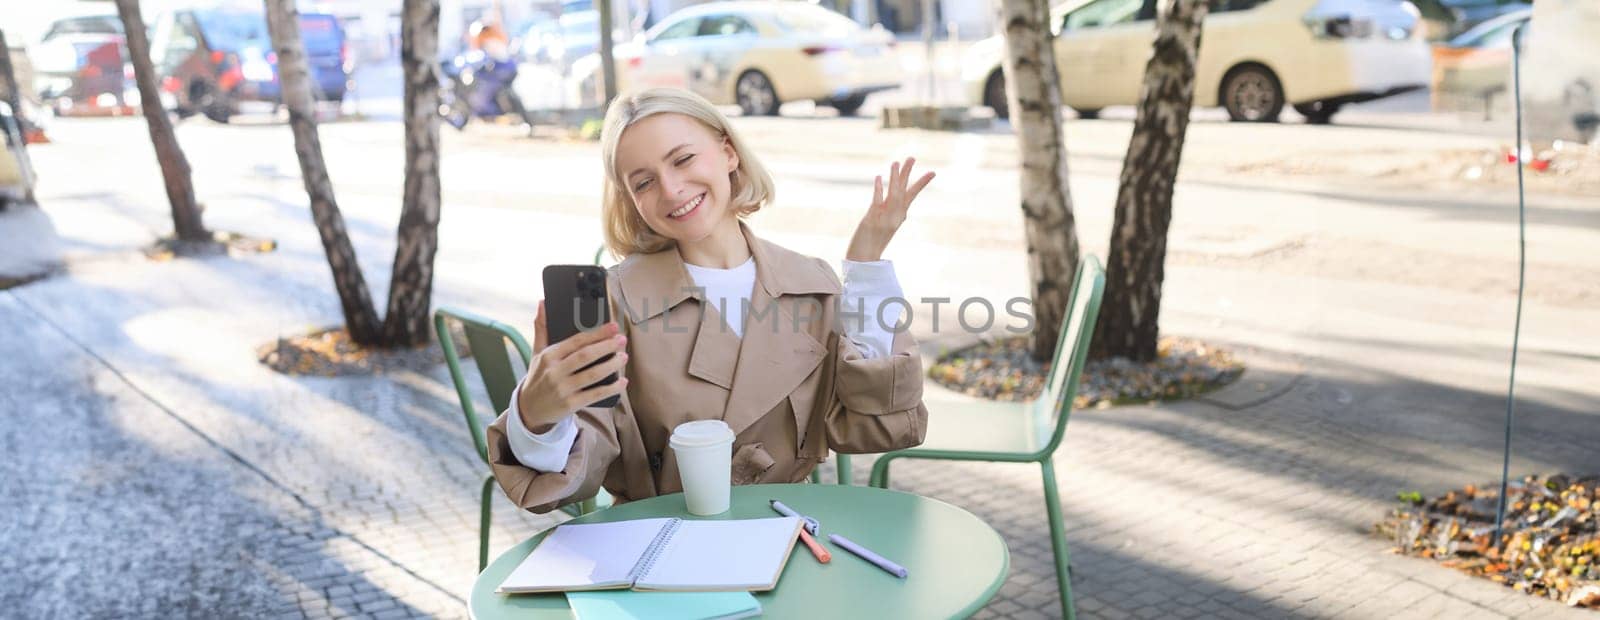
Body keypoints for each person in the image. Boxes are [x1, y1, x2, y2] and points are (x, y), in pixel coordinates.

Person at [487, 87, 935, 513]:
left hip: (782, 536)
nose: (671, 189)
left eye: (682, 159)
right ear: (630, 200)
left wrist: (865, 264)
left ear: (728, 151)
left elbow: (877, 424)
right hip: (657, 547)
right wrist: (537, 415)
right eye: (643, 183)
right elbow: (575, 473)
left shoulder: (811, 283)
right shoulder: (607, 302)